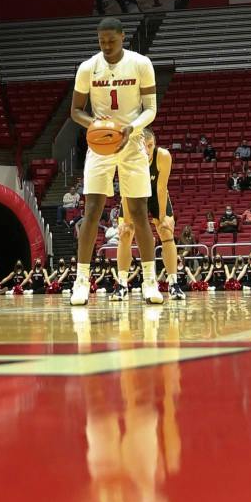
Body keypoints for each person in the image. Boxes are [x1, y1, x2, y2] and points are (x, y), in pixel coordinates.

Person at [67, 26, 159, 310]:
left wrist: (130, 128)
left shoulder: (141, 64)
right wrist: (97, 126)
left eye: (111, 40)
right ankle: (81, 281)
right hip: (100, 146)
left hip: (132, 143)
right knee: (92, 211)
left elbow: (151, 109)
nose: (106, 45)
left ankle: (149, 281)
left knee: (140, 214)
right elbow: (75, 111)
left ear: (122, 36)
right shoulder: (87, 68)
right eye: (101, 41)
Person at [117, 127, 181, 300]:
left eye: (150, 145)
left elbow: (161, 188)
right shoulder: (127, 157)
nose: (147, 150)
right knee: (125, 233)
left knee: (166, 231)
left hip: (154, 195)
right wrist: (126, 221)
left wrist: (162, 218)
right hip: (133, 195)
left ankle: (173, 283)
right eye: (143, 146)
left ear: (155, 144)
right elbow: (124, 191)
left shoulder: (163, 156)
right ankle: (121, 284)